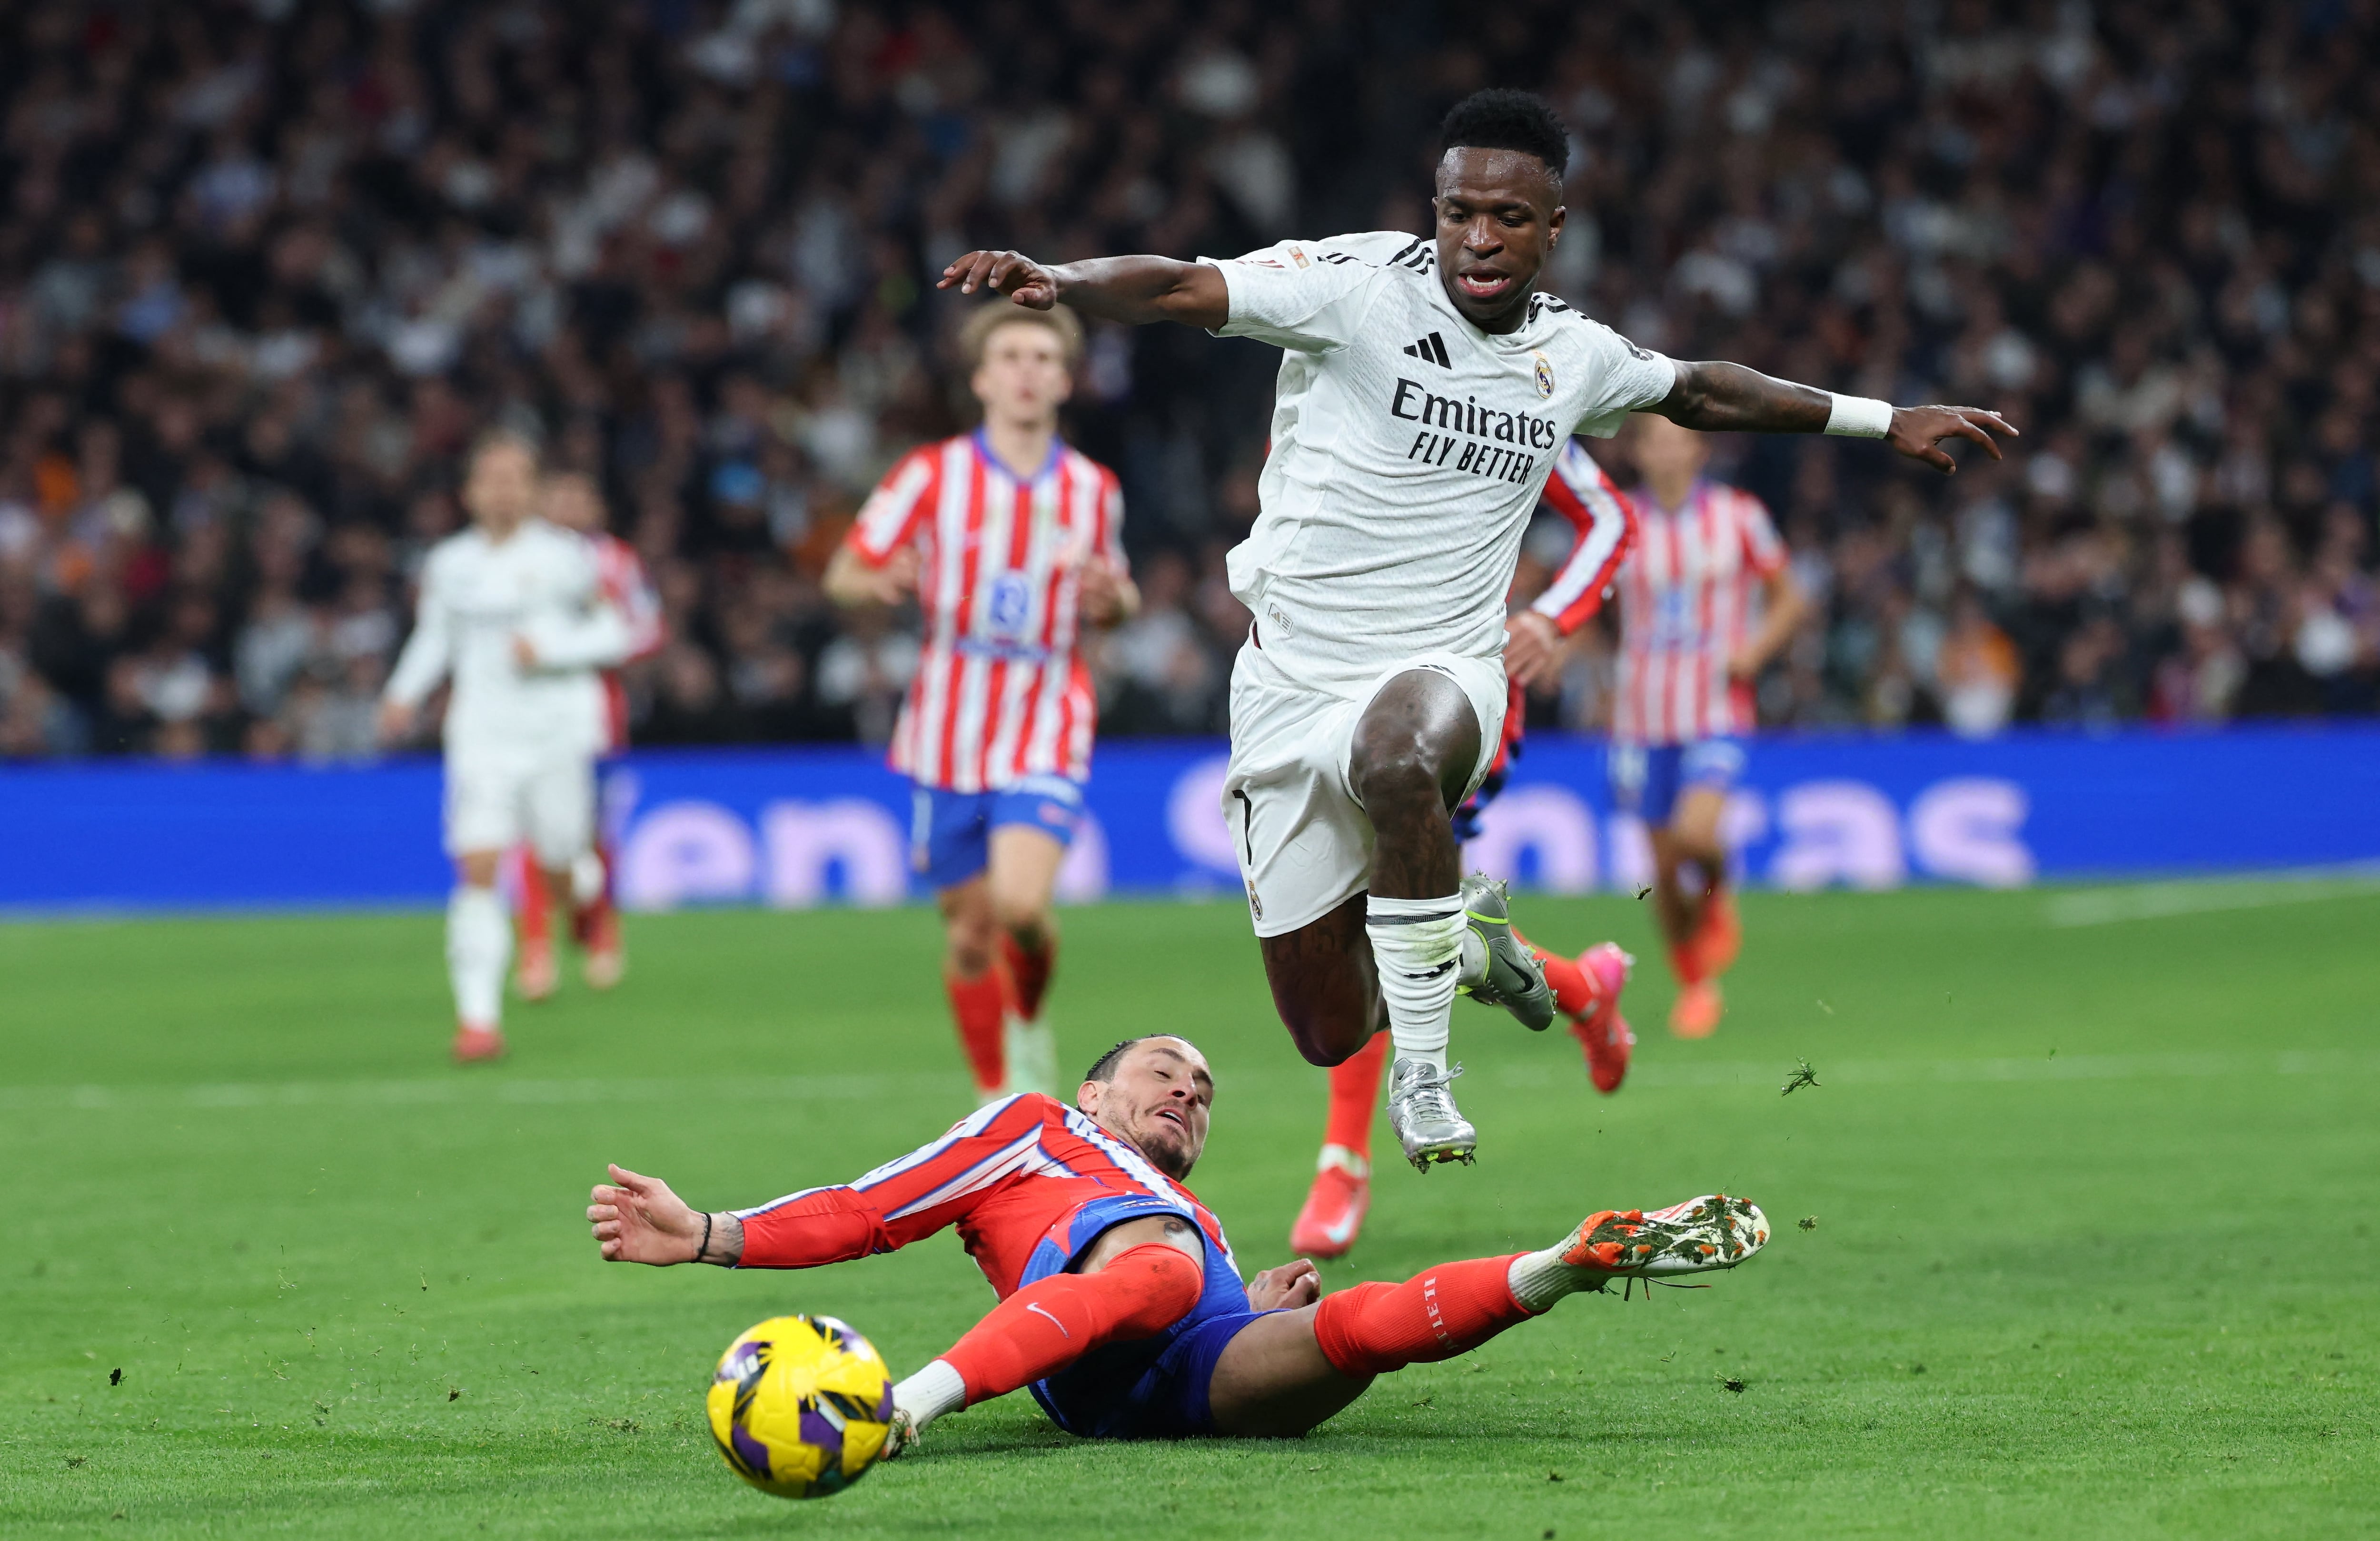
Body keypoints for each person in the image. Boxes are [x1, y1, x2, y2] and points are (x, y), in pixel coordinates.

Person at [937, 88, 2012, 1169]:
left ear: (1553, 229)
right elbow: (1178, 285)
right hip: (1288, 686)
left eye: (1509, 217)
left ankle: (1426, 1076)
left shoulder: (1571, 357)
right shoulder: (1352, 289)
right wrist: (1061, 281)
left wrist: (1881, 419)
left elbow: (1698, 393)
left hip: (1444, 667)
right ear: (1436, 210)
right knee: (1324, 1028)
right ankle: (1462, 939)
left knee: (1402, 754)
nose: (1480, 238)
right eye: (1461, 212)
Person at [586, 1033, 1768, 1450]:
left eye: (1205, 1090)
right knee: (1153, 1257)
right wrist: (708, 1235)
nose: (1191, 1093)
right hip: (1092, 1341)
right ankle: (910, 1403)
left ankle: (1561, 1263)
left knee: (1346, 1332)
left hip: (1181, 1371)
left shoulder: (1191, 1211)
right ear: (1096, 1095)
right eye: (1166, 1071)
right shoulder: (1032, 1129)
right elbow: (865, 1207)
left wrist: (1250, 1304)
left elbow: (1187, 1300)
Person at [1290, 437, 1642, 1259]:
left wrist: (1554, 617)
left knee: (1376, 904)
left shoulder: (1508, 390)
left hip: (1456, 682)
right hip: (1330, 677)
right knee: (1390, 916)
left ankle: (1342, 1162)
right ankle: (1584, 989)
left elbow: (1608, 516)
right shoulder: (1317, 379)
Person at [823, 302, 1139, 1102]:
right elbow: (844, 572)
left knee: (1022, 907)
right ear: (982, 378)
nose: (1027, 370)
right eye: (1011, 356)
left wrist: (1115, 601)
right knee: (969, 934)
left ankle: (1027, 1017)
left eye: (1042, 357)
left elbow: (1117, 599)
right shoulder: (930, 475)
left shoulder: (1091, 489)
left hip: (1046, 709)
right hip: (947, 723)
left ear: (1065, 379)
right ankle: (996, 1091)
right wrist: (880, 579)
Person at [379, 432, 632, 1062]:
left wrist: (551, 651)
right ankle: (479, 1022)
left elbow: (613, 630)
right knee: (480, 866)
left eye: (516, 477)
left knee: (557, 862)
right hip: (481, 735)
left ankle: (580, 889)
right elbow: (435, 637)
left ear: (533, 488)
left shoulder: (567, 557)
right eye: (491, 478)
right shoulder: (449, 564)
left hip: (555, 734)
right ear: (469, 492)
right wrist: (402, 693)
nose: (503, 489)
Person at [1611, 415, 1811, 1040]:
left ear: (1700, 449)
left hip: (1716, 706)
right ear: (1638, 452)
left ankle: (1719, 888)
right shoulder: (1617, 523)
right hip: (1641, 714)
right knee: (1663, 872)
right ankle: (1697, 986)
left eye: (1679, 440)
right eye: (1655, 441)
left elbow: (1791, 596)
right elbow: (1589, 603)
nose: (1668, 452)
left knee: (1697, 836)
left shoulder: (1739, 515)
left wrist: (1755, 650)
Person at [509, 468, 665, 1000]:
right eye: (559, 495)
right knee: (533, 826)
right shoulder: (517, 561)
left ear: (596, 506)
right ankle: (537, 946)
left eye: (580, 496)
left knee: (592, 828)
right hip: (526, 712)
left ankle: (599, 928)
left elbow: (647, 629)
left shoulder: (616, 561)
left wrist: (582, 648)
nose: (570, 506)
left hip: (597, 714)